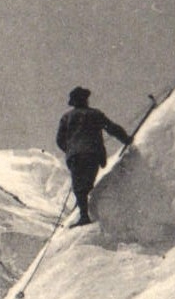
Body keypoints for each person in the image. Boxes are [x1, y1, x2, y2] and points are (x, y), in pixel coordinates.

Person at [55, 86, 131, 227]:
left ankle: (84, 215)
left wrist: (70, 149)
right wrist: (126, 139)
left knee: (79, 186)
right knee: (88, 182)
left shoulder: (67, 117)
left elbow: (59, 140)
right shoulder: (95, 114)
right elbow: (112, 128)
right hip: (93, 155)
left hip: (76, 157)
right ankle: (87, 210)